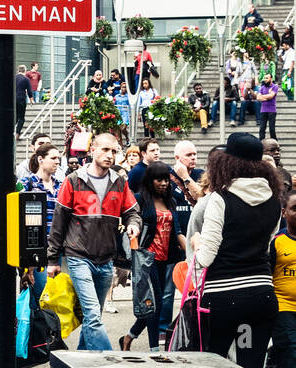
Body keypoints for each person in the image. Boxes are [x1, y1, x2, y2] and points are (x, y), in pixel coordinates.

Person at [194, 132, 282, 368]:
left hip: (224, 297)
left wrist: (198, 244)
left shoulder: (220, 199)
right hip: (262, 296)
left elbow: (206, 257)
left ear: (226, 161)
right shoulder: (275, 199)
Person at [46, 131, 141, 352]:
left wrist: (133, 223)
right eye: (105, 149)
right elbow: (59, 222)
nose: (110, 155)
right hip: (79, 256)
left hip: (106, 259)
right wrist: (52, 259)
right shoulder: (74, 180)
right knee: (92, 316)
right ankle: (109, 367)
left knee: (93, 317)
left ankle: (80, 367)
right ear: (92, 150)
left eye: (114, 151)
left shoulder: (118, 181)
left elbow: (132, 211)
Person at [119, 162, 187, 350]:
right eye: (159, 179)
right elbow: (131, 221)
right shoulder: (141, 199)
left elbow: (178, 230)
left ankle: (128, 337)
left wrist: (190, 252)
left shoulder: (170, 201)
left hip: (166, 258)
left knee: (152, 304)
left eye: (166, 179)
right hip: (146, 258)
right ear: (150, 180)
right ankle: (154, 350)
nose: (164, 183)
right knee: (155, 303)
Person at [265, 189, 296, 368]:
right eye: (294, 208)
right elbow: (266, 276)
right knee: (291, 359)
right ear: (284, 212)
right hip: (283, 308)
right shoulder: (277, 242)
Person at [20, 142, 62, 299]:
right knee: (42, 296)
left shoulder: (60, 185)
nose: (57, 161)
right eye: (53, 158)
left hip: (56, 247)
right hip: (36, 247)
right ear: (40, 159)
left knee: (55, 297)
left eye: (58, 158)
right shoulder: (27, 184)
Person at [257, 72, 281, 140]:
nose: (265, 79)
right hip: (263, 110)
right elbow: (258, 98)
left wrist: (263, 97)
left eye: (267, 78)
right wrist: (267, 96)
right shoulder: (262, 87)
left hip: (272, 111)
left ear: (271, 78)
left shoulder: (275, 86)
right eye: (264, 78)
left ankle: (275, 144)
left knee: (272, 129)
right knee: (262, 129)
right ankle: (260, 144)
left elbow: (271, 96)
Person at [14, 65, 31, 138]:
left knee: (15, 117)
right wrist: (31, 100)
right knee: (21, 117)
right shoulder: (26, 79)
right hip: (21, 99)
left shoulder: (13, 78)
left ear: (18, 70)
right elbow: (29, 91)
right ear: (25, 71)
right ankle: (17, 133)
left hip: (13, 99)